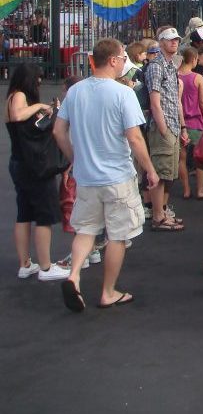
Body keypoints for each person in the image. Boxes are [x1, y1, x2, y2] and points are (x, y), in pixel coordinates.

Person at [53, 38, 160, 311]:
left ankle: (74, 275)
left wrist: (75, 160)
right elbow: (135, 138)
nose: (125, 62)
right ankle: (108, 291)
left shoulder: (75, 91)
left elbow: (58, 131)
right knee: (118, 235)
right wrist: (149, 170)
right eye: (123, 57)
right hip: (117, 176)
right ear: (112, 60)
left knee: (86, 229)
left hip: (87, 176)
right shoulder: (123, 94)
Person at [6, 62, 68, 281]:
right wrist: (41, 106)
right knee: (44, 215)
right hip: (34, 166)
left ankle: (26, 264)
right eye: (37, 78)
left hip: (20, 162)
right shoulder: (19, 95)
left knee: (24, 213)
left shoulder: (14, 95)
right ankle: (45, 267)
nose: (40, 81)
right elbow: (17, 116)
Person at [145, 27, 186, 231]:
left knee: (168, 173)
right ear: (160, 42)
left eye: (176, 40)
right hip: (164, 126)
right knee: (161, 173)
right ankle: (158, 216)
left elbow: (174, 99)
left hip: (173, 126)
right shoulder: (157, 66)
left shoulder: (170, 65)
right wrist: (164, 129)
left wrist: (180, 127)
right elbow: (155, 102)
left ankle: (161, 211)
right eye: (170, 40)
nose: (174, 43)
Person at [177, 48, 203, 199]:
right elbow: (202, 102)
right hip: (196, 121)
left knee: (181, 158)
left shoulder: (175, 76)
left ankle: (186, 189)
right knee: (199, 158)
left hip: (180, 121)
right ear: (194, 59)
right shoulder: (197, 77)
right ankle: (200, 189)